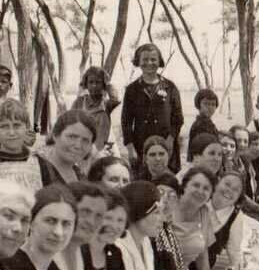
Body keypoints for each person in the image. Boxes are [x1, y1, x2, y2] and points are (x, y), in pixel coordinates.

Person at [2, 183, 77, 270]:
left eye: (66, 224)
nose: (58, 232)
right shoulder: (9, 268)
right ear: (30, 222)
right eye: (50, 221)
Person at [121, 43, 184, 175]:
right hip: (141, 147)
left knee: (168, 180)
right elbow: (126, 122)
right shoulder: (132, 90)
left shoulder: (170, 87)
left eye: (153, 59)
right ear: (138, 61)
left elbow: (178, 118)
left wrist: (170, 140)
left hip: (167, 146)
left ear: (159, 61)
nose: (149, 63)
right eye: (145, 59)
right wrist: (131, 149)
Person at [54, 181, 109, 270]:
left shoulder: (84, 251)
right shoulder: (47, 250)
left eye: (98, 216)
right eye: (85, 212)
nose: (91, 221)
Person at [0, 97, 43, 191]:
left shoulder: (40, 163)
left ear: (27, 126)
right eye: (4, 126)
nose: (11, 133)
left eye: (17, 125)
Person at [209, 170, 258, 270]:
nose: (230, 190)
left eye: (236, 190)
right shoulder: (201, 200)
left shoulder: (235, 215)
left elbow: (234, 252)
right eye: (227, 184)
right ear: (217, 183)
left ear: (239, 196)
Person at [71, 66, 121, 161]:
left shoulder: (106, 104)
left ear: (103, 85)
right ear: (86, 84)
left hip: (103, 147)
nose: (94, 85)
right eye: (91, 82)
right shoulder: (79, 102)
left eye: (98, 82)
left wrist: (108, 83)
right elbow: (70, 123)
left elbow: (116, 99)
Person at [35, 109, 96, 186]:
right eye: (72, 137)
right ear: (55, 135)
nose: (78, 145)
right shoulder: (35, 168)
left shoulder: (81, 177)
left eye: (85, 141)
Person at [187, 88, 221, 161]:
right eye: (206, 104)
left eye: (213, 104)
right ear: (198, 105)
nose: (210, 107)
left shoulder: (209, 123)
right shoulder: (199, 125)